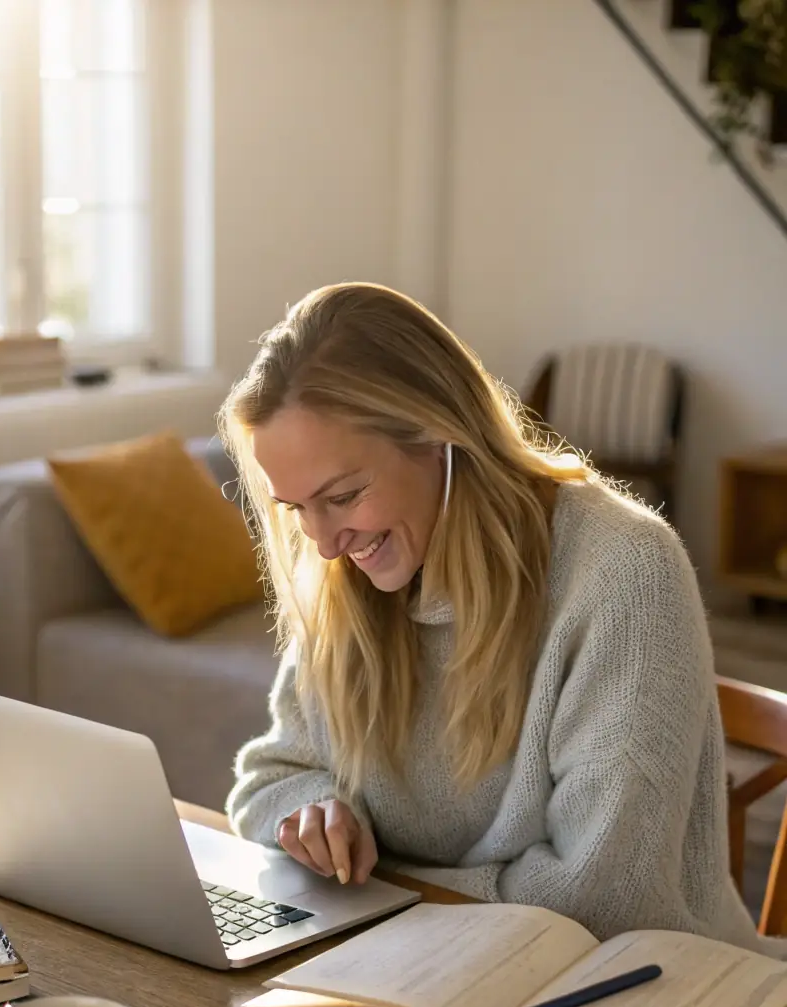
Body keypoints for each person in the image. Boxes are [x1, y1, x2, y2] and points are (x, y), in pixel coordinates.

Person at [220, 281, 775, 952]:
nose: (324, 541)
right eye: (294, 508)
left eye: (342, 495)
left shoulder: (625, 570)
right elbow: (269, 779)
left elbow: (605, 895)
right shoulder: (348, 579)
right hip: (427, 960)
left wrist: (390, 887)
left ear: (437, 431)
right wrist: (307, 812)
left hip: (631, 988)